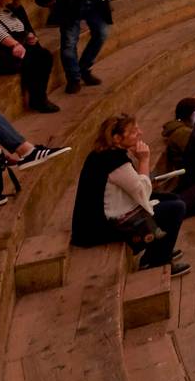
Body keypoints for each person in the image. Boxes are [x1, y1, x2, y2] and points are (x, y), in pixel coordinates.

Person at [72, 114, 188, 275]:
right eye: (133, 132)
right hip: (101, 227)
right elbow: (142, 193)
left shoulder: (103, 154)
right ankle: (156, 261)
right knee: (176, 208)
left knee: (172, 198)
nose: (140, 133)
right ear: (117, 138)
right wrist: (144, 160)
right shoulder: (114, 162)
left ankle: (160, 248)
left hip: (94, 223)